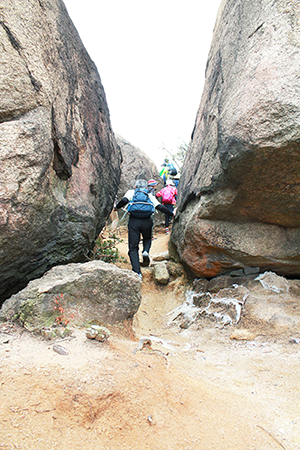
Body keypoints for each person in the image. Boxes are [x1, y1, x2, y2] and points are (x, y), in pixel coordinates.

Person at [115, 179, 175, 280]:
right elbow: (159, 207)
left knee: (133, 248)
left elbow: (124, 201)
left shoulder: (131, 192)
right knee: (147, 238)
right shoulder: (149, 195)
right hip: (147, 221)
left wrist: (117, 207)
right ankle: (145, 251)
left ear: (135, 187)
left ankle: (137, 273)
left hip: (134, 221)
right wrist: (171, 214)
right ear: (146, 188)